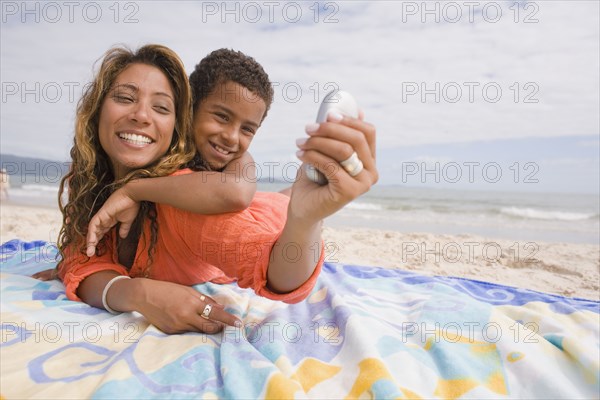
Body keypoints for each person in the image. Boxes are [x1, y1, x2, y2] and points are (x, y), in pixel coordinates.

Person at [36, 44, 378, 335]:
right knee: (272, 200)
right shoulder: (94, 181)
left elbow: (277, 271)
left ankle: (302, 189)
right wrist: (134, 290)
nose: (141, 115)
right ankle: (293, 194)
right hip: (253, 202)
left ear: (178, 121)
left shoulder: (184, 205)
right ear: (96, 111)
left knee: (277, 205)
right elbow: (82, 263)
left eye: (160, 107)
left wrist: (305, 220)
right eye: (125, 98)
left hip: (266, 218)